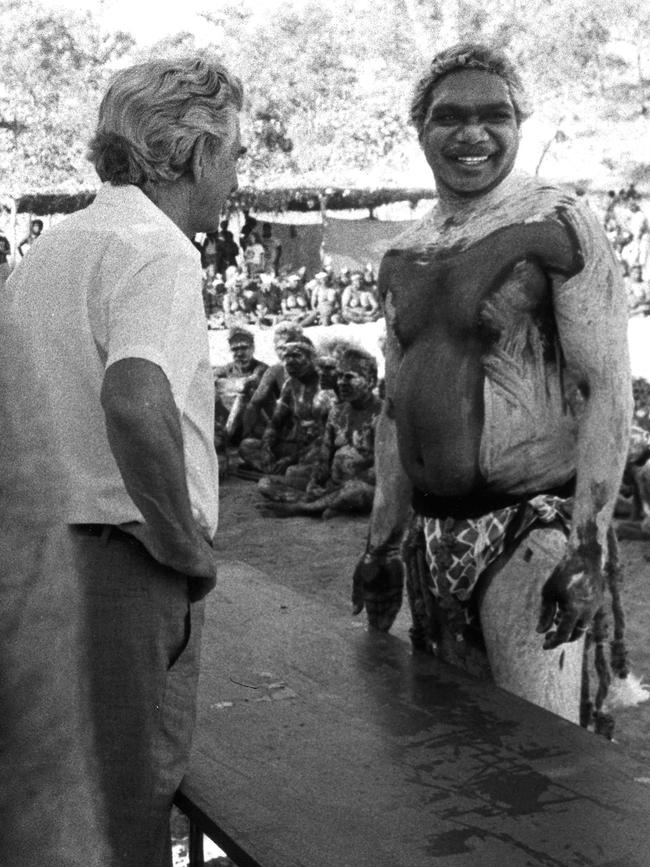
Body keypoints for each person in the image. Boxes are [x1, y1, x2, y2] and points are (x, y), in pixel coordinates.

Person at [0, 54, 244, 865]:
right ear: (199, 152)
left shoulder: (55, 247)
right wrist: (181, 541)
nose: (236, 175)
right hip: (119, 562)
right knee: (124, 812)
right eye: (235, 153)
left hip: (41, 559)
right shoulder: (158, 247)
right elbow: (135, 399)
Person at [351, 43, 632, 731]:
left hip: (531, 530)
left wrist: (588, 546)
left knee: (541, 756)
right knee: (448, 751)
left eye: (494, 115)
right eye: (450, 116)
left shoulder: (558, 224)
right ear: (419, 129)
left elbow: (607, 390)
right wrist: (383, 542)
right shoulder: (403, 251)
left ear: (519, 124)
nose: (472, 133)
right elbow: (393, 405)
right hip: (432, 533)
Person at [258, 347, 382, 518]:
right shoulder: (337, 412)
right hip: (333, 484)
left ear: (371, 381)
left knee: (354, 491)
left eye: (350, 377)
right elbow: (324, 458)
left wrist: (340, 487)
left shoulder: (384, 416)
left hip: (363, 486)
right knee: (266, 482)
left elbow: (381, 470)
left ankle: (303, 508)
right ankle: (325, 504)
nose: (341, 382)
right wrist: (314, 483)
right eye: (339, 376)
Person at [214, 325, 268, 449]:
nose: (239, 353)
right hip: (231, 421)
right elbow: (208, 380)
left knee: (243, 396)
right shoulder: (227, 369)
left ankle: (225, 437)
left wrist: (222, 383)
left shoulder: (261, 368)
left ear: (253, 348)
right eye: (235, 349)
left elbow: (245, 385)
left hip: (255, 427)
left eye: (244, 348)